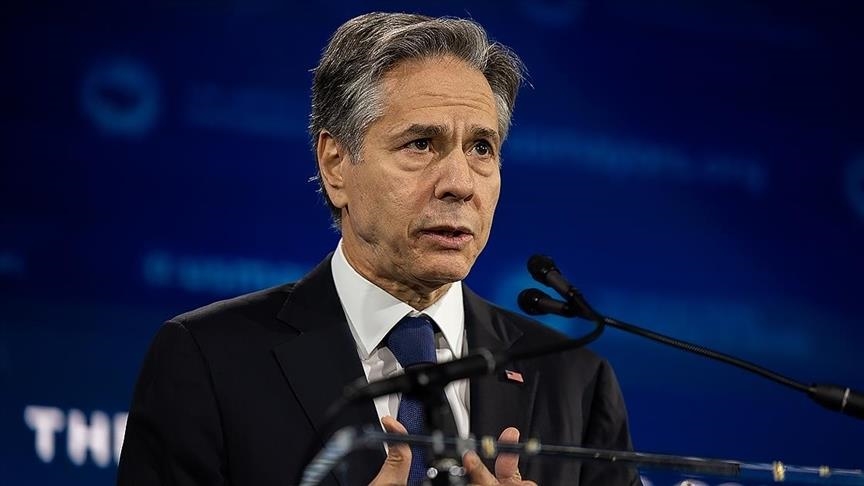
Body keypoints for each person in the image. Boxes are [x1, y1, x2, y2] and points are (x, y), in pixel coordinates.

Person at [117, 12, 639, 486]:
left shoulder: (575, 381)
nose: (460, 183)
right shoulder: (209, 359)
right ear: (336, 165)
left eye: (481, 148)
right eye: (421, 144)